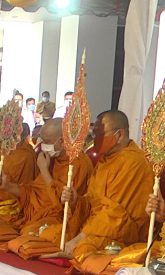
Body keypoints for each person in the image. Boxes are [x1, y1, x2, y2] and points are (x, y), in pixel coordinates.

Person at [59, 110, 154, 259]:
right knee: (54, 236)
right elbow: (94, 203)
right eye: (94, 134)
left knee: (81, 250)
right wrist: (76, 201)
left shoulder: (133, 162)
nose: (95, 139)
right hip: (96, 228)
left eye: (100, 134)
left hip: (120, 234)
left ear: (119, 135)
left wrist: (81, 237)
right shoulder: (105, 160)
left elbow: (116, 214)